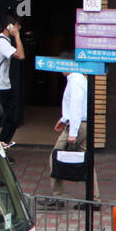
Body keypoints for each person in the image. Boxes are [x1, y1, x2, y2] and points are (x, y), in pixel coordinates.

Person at [45, 71, 99, 207]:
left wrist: (72, 132)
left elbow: (76, 106)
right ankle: (94, 199)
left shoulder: (75, 80)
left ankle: (58, 197)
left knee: (54, 156)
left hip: (78, 125)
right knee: (88, 160)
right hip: (86, 124)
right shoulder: (81, 79)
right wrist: (64, 119)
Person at [0, 14, 25, 148]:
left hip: (5, 87)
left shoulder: (4, 41)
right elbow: (21, 55)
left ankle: (2, 146)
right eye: (17, 26)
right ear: (10, 26)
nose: (19, 29)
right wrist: (17, 36)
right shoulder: (2, 42)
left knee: (12, 119)